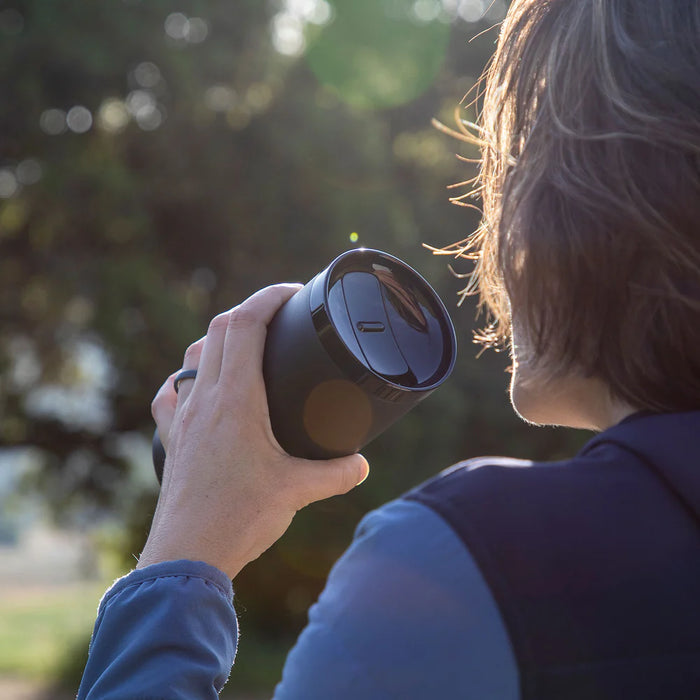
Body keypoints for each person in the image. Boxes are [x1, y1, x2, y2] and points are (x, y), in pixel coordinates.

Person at [77, 0, 700, 698]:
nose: (491, 233)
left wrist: (182, 554)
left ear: (602, 204)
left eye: (517, 166)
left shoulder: (466, 565)